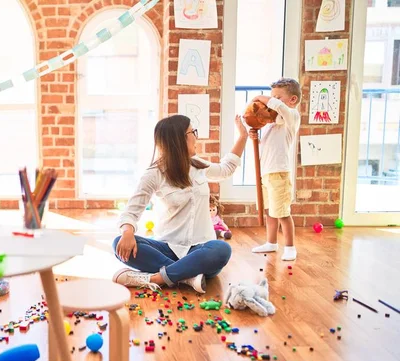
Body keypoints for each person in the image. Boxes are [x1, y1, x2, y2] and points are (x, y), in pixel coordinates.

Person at [112, 114, 249, 293]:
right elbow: (132, 210)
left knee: (221, 249)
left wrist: (243, 136)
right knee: (118, 243)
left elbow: (226, 169)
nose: (196, 137)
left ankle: (157, 278)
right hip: (168, 248)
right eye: (193, 132)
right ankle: (188, 276)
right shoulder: (155, 173)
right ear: (179, 139)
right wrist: (128, 231)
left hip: (201, 250)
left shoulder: (199, 166)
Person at [249, 78, 301, 261]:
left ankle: (290, 247)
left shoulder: (292, 117)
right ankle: (271, 242)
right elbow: (266, 146)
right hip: (267, 172)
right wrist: (254, 136)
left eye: (277, 97)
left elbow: (280, 107)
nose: (272, 101)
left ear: (292, 100)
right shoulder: (273, 122)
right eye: (272, 97)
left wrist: (258, 96)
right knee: (270, 210)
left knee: (282, 212)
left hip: (279, 172)